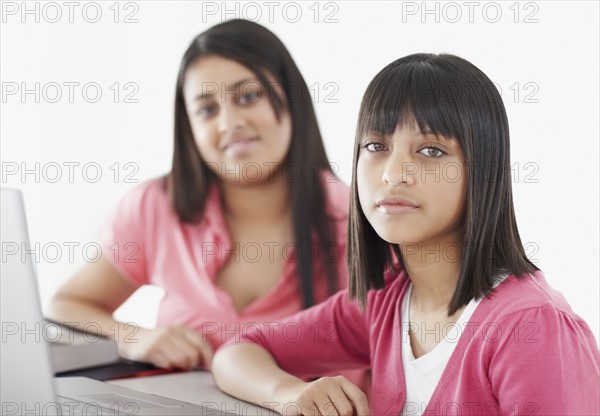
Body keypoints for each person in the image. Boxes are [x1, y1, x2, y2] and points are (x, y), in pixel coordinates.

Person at [212, 53, 600, 415]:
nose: (392, 173)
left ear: (483, 171)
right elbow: (238, 351)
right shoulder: (383, 303)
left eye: (431, 150)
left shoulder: (531, 328)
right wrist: (291, 393)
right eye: (376, 145)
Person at [47, 19, 353, 371]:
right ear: (189, 127)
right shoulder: (156, 207)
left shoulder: (358, 219)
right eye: (207, 109)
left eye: (249, 96)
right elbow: (68, 304)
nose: (229, 123)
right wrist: (134, 338)